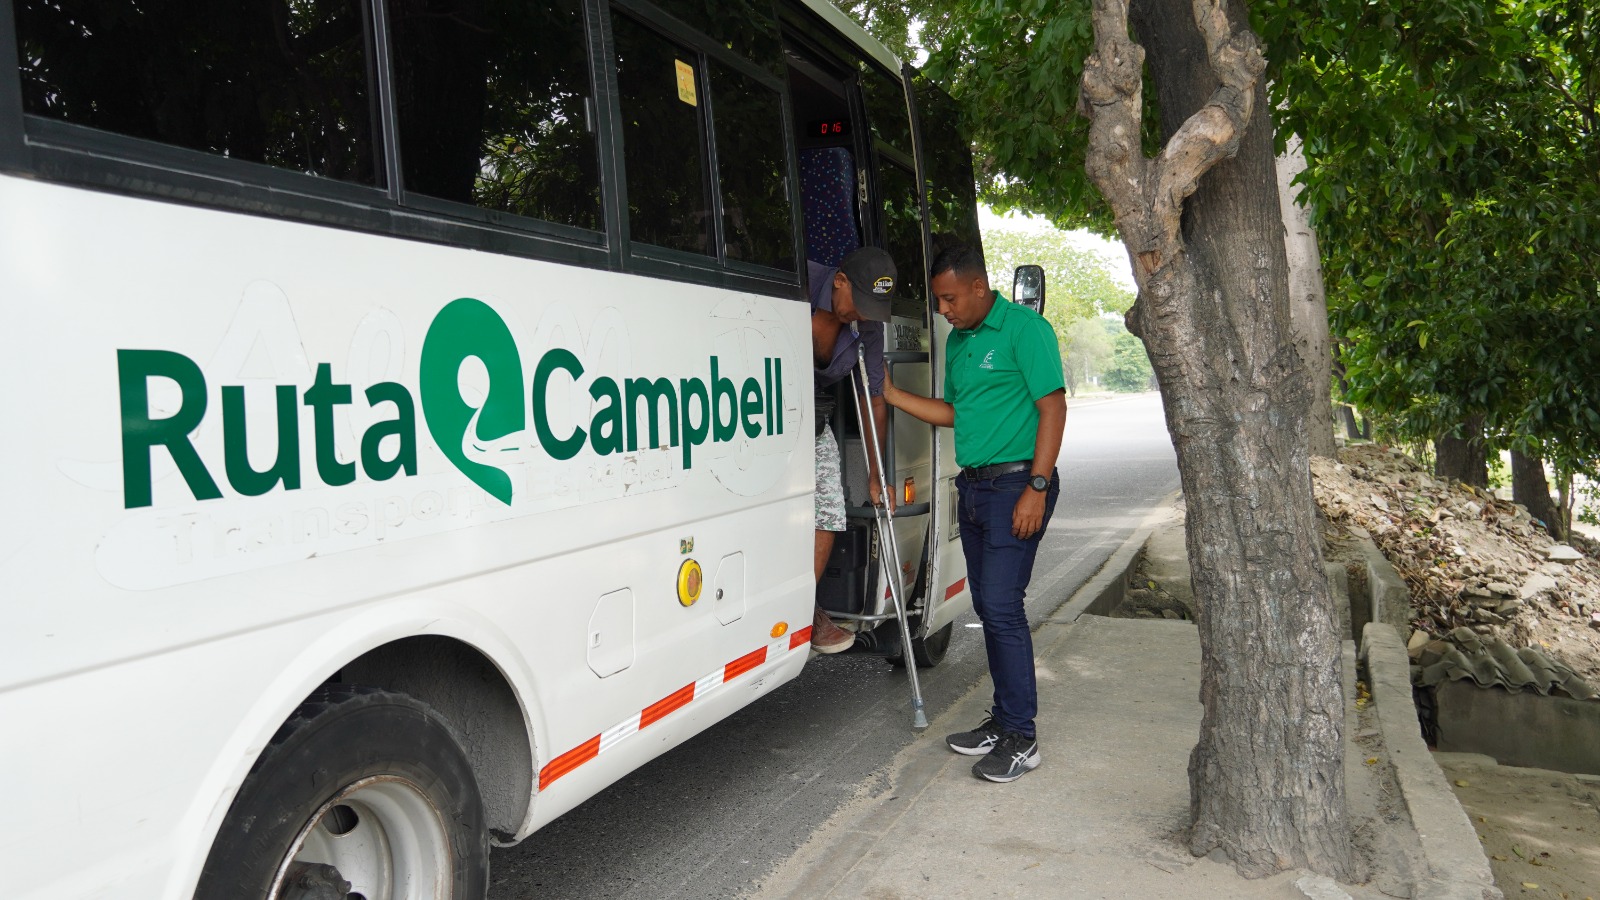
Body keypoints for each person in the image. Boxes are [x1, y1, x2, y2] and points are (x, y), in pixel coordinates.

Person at [882, 238, 1066, 783]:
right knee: (987, 605)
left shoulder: (1025, 330)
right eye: (939, 301)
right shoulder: (961, 343)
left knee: (1004, 608)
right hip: (977, 489)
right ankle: (1004, 720)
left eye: (949, 298)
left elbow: (1052, 407)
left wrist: (1037, 485)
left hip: (1017, 486)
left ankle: (1022, 737)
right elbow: (953, 412)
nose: (943, 310)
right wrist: (892, 395)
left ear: (978, 287)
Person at [809, 246, 898, 653]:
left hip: (813, 415)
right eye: (858, 302)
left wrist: (877, 474)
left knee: (829, 511)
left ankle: (803, 611)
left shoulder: (866, 326)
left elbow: (872, 397)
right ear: (839, 281)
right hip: (762, 411)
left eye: (870, 308)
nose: (860, 313)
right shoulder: (800, 284)